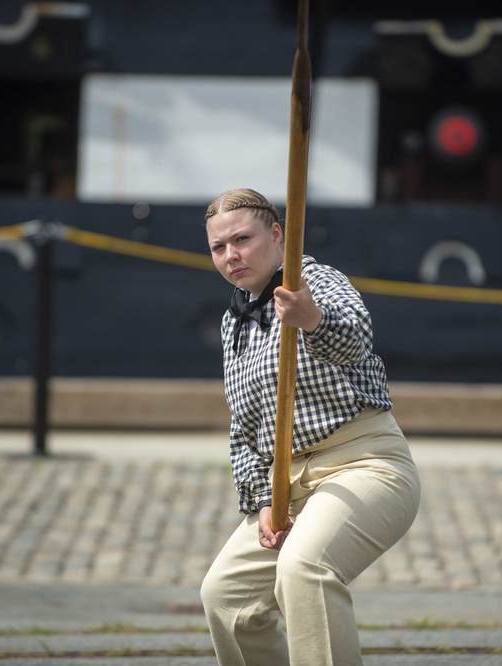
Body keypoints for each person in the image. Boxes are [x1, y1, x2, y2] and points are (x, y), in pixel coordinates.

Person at [199, 188, 422, 666]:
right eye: (219, 247)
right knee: (225, 597)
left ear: (277, 234)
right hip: (285, 483)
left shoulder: (315, 281)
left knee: (304, 568)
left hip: (365, 463)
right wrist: (261, 499)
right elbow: (244, 426)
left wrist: (313, 319)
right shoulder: (232, 321)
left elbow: (357, 342)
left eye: (242, 239)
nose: (231, 255)